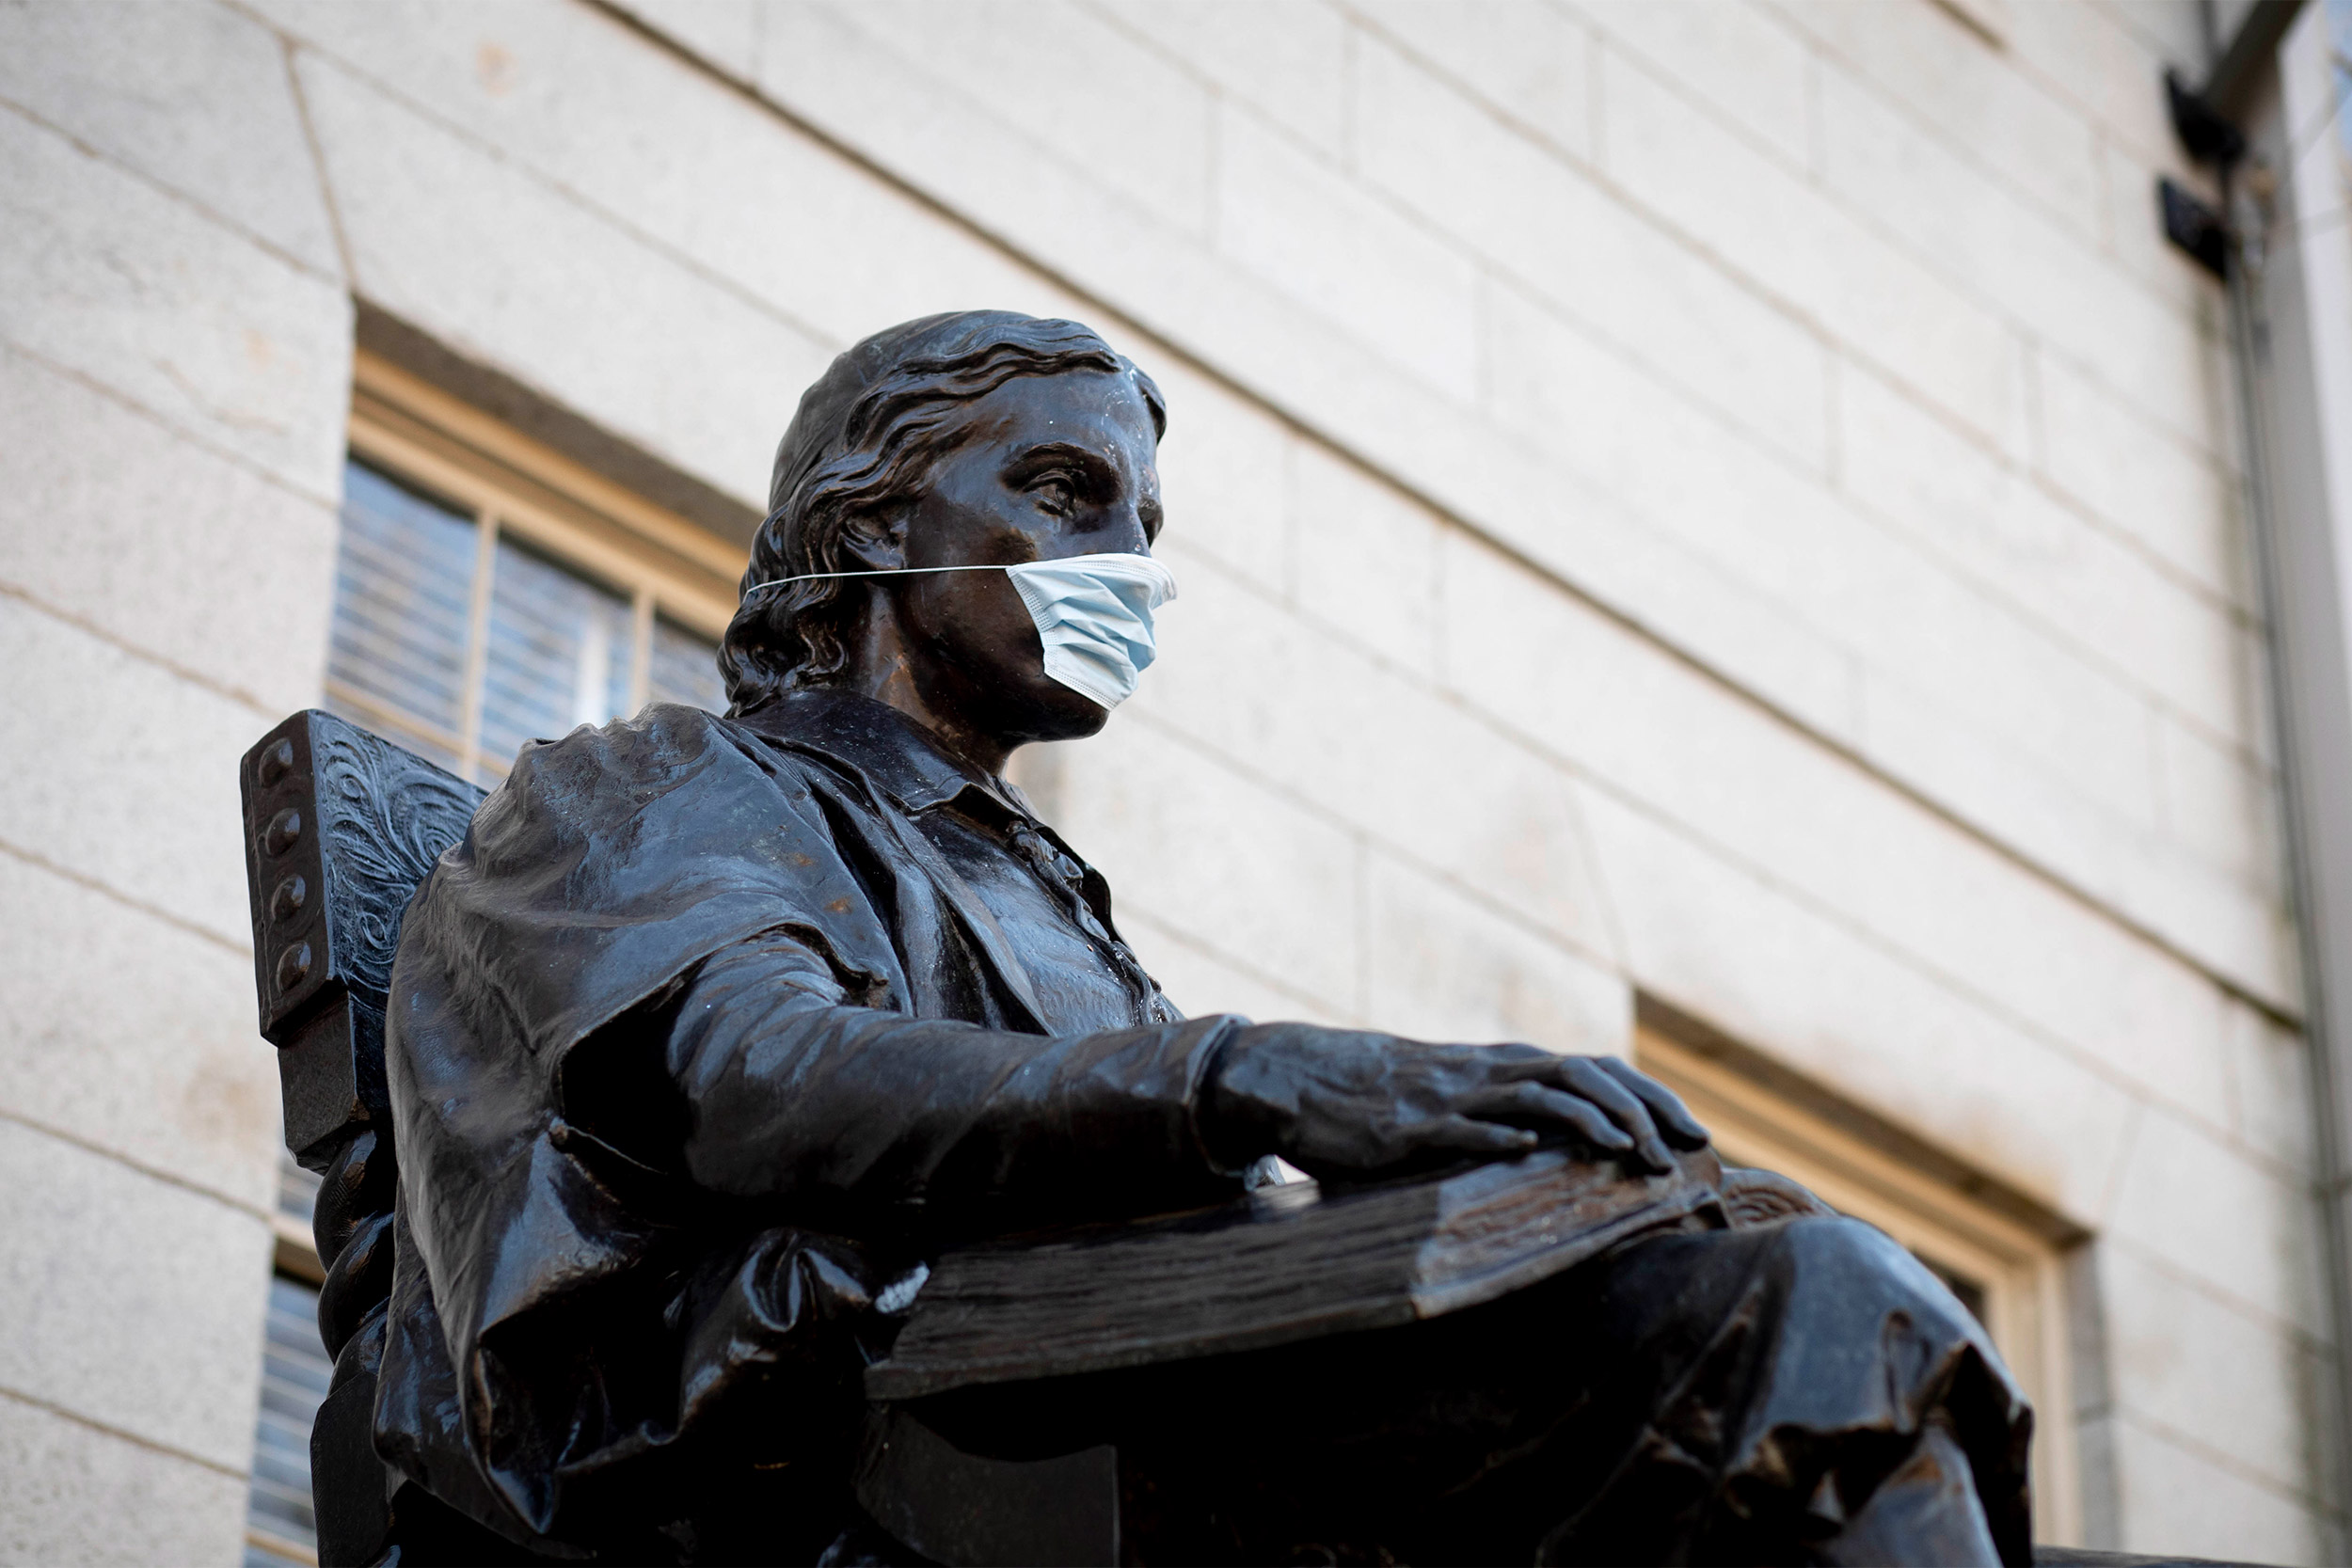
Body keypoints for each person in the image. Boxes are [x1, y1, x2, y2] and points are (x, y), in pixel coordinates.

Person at [376, 310, 2032, 1564]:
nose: (1124, 569)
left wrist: (1562, 1190)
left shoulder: (1053, 903)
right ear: (876, 525)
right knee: (1809, 1316)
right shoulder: (659, 782)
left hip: (1139, 1402)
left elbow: (1203, 1208)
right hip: (890, 1450)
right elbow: (754, 1079)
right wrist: (1252, 1078)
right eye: (1062, 493)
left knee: (1808, 1333)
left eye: (1144, 532)